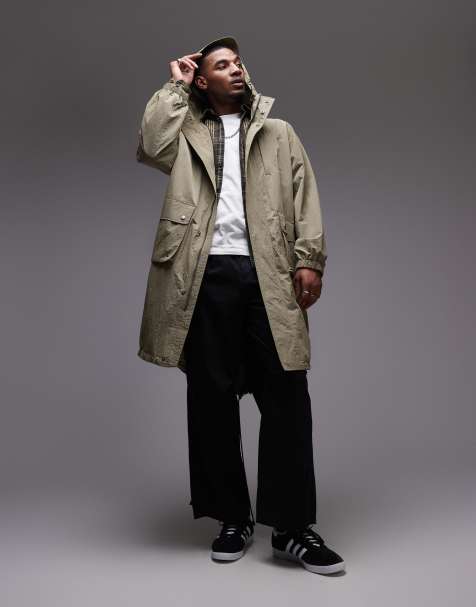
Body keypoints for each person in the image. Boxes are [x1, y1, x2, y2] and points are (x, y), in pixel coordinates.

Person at [136, 35, 345, 575]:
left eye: (239, 62)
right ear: (204, 79)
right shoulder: (185, 130)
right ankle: (232, 517)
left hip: (268, 273)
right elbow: (150, 145)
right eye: (222, 65)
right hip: (203, 274)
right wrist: (175, 88)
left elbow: (305, 195)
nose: (236, 69)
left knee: (286, 396)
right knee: (211, 399)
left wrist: (310, 259)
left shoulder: (280, 132)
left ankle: (292, 527)